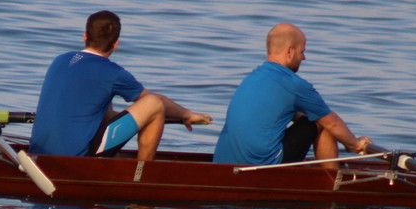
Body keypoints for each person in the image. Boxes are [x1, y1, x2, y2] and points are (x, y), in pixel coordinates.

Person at [28, 10, 211, 161]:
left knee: (103, 103)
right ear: (116, 44)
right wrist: (187, 114)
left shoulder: (61, 60)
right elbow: (155, 101)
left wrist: (133, 126)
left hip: (39, 152)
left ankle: (118, 160)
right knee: (154, 105)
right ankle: (141, 174)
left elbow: (98, 112)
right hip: (76, 158)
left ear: (84, 36)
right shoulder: (113, 73)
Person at [213, 23, 370, 166]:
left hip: (224, 162)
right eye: (302, 52)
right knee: (321, 121)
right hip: (263, 164)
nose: (304, 58)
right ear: (290, 51)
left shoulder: (253, 77)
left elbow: (278, 113)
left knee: (312, 116)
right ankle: (333, 181)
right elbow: (332, 122)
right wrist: (354, 144)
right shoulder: (293, 84)